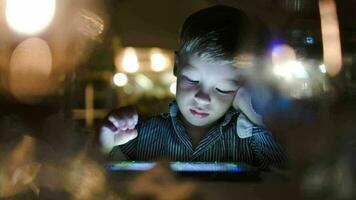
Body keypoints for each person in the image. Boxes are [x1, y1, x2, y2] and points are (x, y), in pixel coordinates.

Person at [99, 5, 287, 169]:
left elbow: (286, 176)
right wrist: (103, 145)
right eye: (193, 79)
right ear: (176, 66)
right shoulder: (138, 135)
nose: (202, 98)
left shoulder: (252, 141)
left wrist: (252, 111)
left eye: (223, 88)